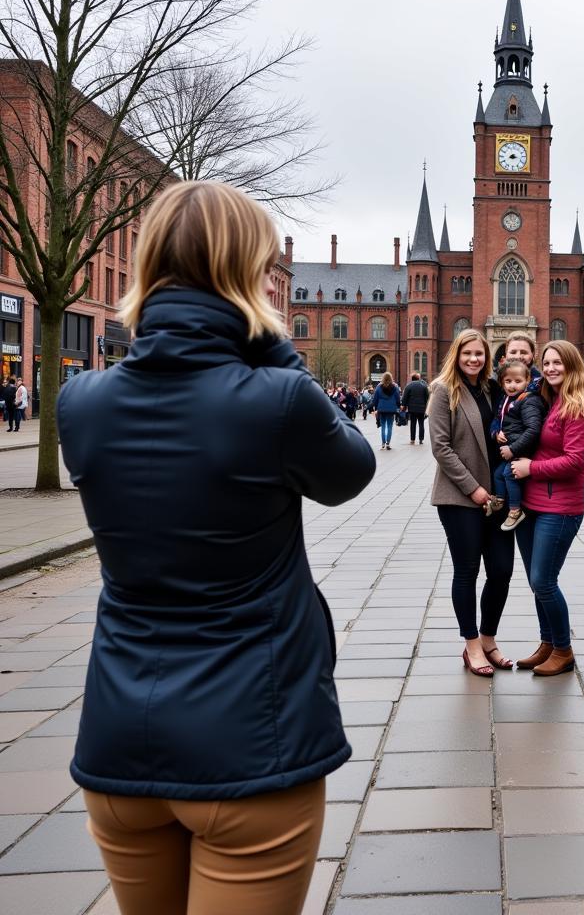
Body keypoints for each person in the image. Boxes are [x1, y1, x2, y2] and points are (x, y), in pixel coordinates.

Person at [57, 181, 377, 915]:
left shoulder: (82, 403)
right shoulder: (279, 398)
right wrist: (276, 346)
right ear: (251, 276)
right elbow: (350, 471)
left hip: (119, 744)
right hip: (252, 747)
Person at [511, 340, 584, 676]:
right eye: (546, 363)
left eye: (557, 363)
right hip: (532, 503)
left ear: (572, 365)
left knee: (544, 580)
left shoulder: (580, 405)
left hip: (561, 506)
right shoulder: (548, 398)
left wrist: (530, 468)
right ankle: (547, 643)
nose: (550, 369)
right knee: (538, 582)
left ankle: (563, 650)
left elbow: (577, 461)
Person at [429, 328, 514, 677]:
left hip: (497, 496)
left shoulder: (494, 389)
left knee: (502, 571)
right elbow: (440, 447)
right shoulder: (443, 392)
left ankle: (489, 637)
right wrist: (473, 489)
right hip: (461, 498)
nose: (474, 359)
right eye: (467, 353)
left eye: (479, 354)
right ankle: (472, 645)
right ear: (456, 355)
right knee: (467, 571)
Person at [489, 358, 547, 531]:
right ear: (502, 382)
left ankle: (515, 510)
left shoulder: (529, 400)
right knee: (498, 473)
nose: (512, 385)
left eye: (518, 381)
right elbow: (498, 419)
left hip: (523, 449)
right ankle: (499, 500)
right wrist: (495, 433)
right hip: (512, 446)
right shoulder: (507, 399)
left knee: (508, 473)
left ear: (527, 380)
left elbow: (533, 430)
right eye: (508, 381)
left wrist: (512, 449)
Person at [372, 372, 401, 450]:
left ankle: (383, 443)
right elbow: (398, 398)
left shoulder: (378, 387)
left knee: (383, 426)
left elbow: (375, 399)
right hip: (391, 409)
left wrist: (374, 408)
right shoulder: (395, 387)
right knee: (390, 426)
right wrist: (398, 406)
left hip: (381, 409)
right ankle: (388, 443)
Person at [401, 371, 430, 444]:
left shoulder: (408, 386)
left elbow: (405, 397)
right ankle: (421, 439)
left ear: (412, 379)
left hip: (412, 408)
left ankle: (412, 439)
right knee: (421, 424)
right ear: (419, 378)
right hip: (422, 408)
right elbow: (427, 397)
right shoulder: (424, 386)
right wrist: (427, 407)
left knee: (413, 424)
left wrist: (404, 406)